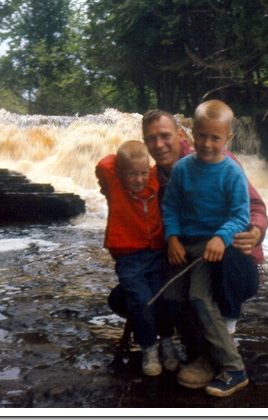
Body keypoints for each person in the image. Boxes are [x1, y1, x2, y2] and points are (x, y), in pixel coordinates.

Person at [109, 107, 268, 388]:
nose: (159, 144)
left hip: (231, 263)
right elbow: (114, 173)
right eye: (151, 139)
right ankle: (180, 345)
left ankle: (215, 357)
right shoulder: (146, 176)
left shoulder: (222, 162)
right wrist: (170, 238)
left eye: (165, 135)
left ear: (181, 134)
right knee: (133, 296)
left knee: (201, 291)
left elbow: (251, 208)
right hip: (180, 251)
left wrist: (255, 231)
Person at [161, 99, 252, 397]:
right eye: (202, 135)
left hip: (211, 247)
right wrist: (172, 237)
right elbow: (171, 206)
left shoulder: (232, 173)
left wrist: (220, 237)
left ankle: (233, 367)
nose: (207, 143)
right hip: (183, 246)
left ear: (228, 138)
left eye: (215, 137)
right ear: (191, 132)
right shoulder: (183, 168)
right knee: (173, 297)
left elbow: (241, 215)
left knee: (199, 297)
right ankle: (195, 351)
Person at [95, 140, 179, 376]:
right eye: (132, 174)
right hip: (129, 257)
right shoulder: (114, 184)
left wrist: (140, 163)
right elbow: (104, 164)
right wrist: (126, 161)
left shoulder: (154, 178)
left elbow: (158, 169)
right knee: (141, 302)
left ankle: (167, 343)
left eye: (143, 172)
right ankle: (149, 349)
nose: (139, 179)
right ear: (120, 172)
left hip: (157, 253)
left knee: (162, 300)